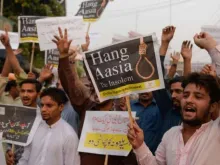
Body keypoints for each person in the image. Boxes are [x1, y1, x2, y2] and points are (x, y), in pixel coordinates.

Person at [55, 27, 138, 165]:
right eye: (96, 86)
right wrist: (64, 57)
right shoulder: (86, 106)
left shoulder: (125, 114)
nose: (98, 89)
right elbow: (70, 83)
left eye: (104, 85)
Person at [127, 73, 220, 165]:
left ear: (213, 106)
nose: (189, 100)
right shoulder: (170, 135)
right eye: (186, 95)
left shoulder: (216, 133)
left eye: (198, 97)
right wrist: (140, 146)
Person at [18, 88, 80, 165]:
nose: (43, 109)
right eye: (42, 105)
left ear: (61, 107)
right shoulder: (34, 128)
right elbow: (25, 158)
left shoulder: (69, 135)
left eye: (49, 105)